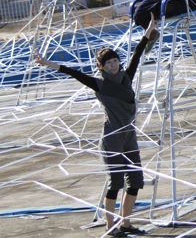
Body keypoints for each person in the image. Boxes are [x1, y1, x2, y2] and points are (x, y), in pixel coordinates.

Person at [34, 14, 158, 237]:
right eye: (108, 63)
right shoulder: (99, 84)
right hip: (112, 138)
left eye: (115, 61)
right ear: (101, 67)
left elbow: (138, 53)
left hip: (129, 136)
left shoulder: (126, 77)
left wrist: (148, 32)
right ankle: (111, 227)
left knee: (135, 181)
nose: (113, 64)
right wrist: (46, 63)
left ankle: (126, 223)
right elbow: (72, 72)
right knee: (115, 183)